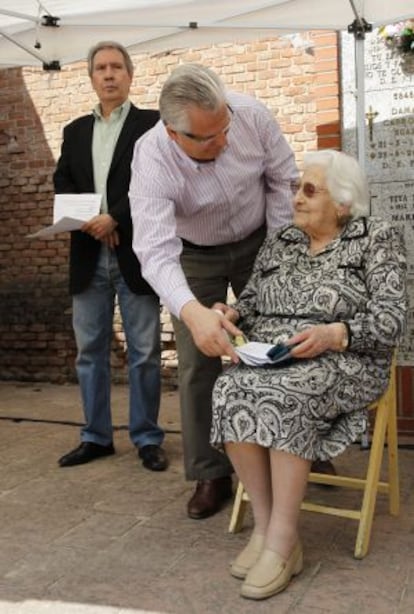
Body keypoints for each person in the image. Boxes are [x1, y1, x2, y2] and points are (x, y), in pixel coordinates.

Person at [209, 149, 407, 601]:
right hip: (276, 355)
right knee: (230, 388)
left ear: (341, 202)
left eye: (309, 190)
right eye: (297, 188)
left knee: (287, 392)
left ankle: (282, 540)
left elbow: (394, 319)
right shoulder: (283, 240)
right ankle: (265, 527)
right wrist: (231, 311)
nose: (296, 198)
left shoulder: (375, 237)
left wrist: (337, 333)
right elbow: (254, 299)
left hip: (346, 358)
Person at [129, 63, 298, 519]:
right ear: (172, 133)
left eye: (224, 128)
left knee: (279, 342)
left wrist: (276, 260)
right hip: (193, 253)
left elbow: (284, 181)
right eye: (207, 138)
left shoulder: (250, 115)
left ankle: (296, 445)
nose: (222, 141)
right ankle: (211, 471)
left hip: (261, 239)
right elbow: (154, 250)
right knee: (198, 361)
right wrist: (190, 310)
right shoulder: (150, 158)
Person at [54, 41, 168, 472]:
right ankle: (96, 437)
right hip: (87, 255)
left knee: (144, 351)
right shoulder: (74, 131)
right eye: (100, 68)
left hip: (136, 255)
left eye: (116, 67)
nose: (108, 74)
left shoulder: (153, 125)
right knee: (89, 353)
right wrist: (89, 220)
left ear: (130, 75)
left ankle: (147, 437)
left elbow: (158, 182)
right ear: (91, 77)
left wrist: (114, 218)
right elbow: (62, 182)